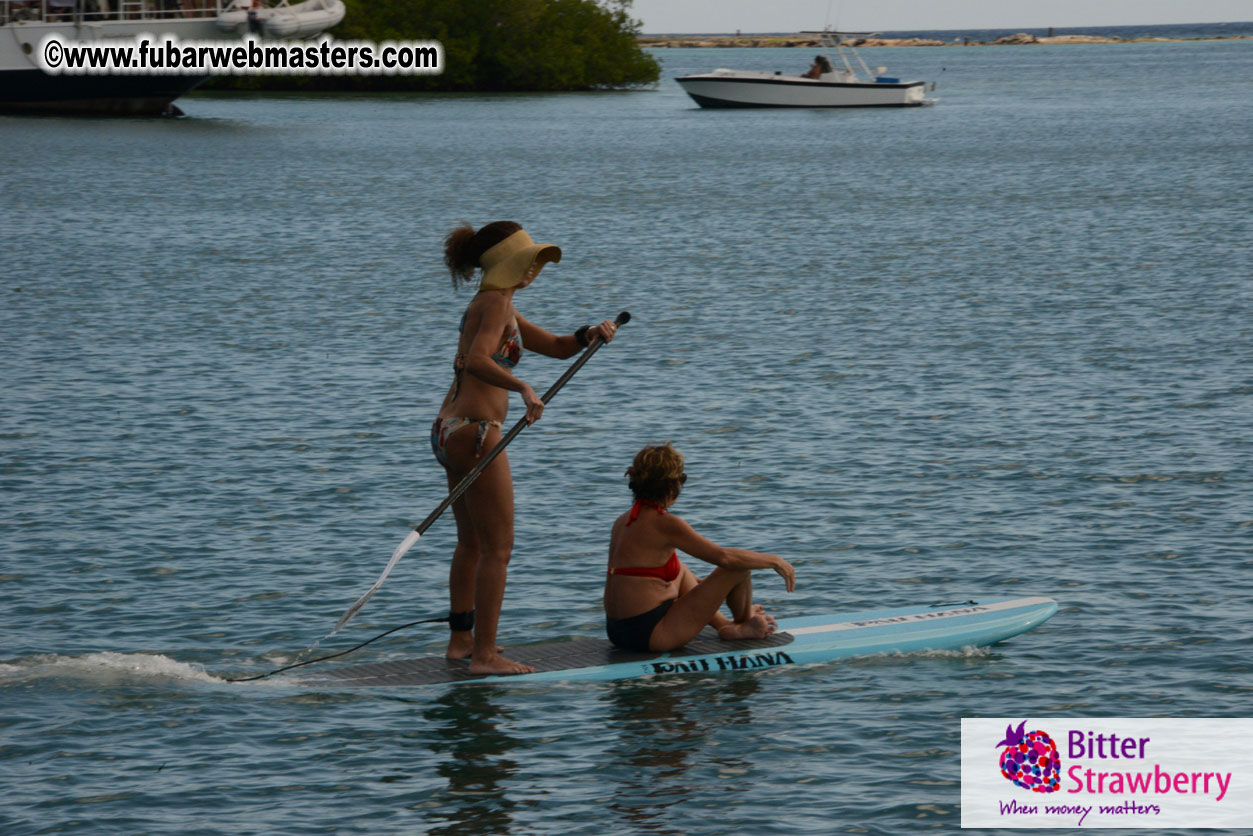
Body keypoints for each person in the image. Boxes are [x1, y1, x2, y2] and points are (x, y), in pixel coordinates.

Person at [436, 221, 618, 675]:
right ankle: (485, 655)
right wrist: (523, 388)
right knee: (498, 548)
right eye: (527, 262)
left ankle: (461, 642)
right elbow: (476, 360)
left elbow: (557, 347)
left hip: (448, 430)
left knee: (471, 543)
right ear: (507, 264)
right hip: (476, 431)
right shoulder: (495, 304)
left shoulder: (497, 305)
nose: (533, 271)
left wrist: (588, 334)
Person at [604, 443, 796, 653]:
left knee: (680, 569)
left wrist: (705, 589)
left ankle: (724, 624)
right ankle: (743, 625)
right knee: (738, 567)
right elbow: (725, 558)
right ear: (671, 487)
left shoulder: (623, 522)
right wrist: (775, 561)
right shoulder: (665, 523)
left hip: (617, 632)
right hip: (650, 636)